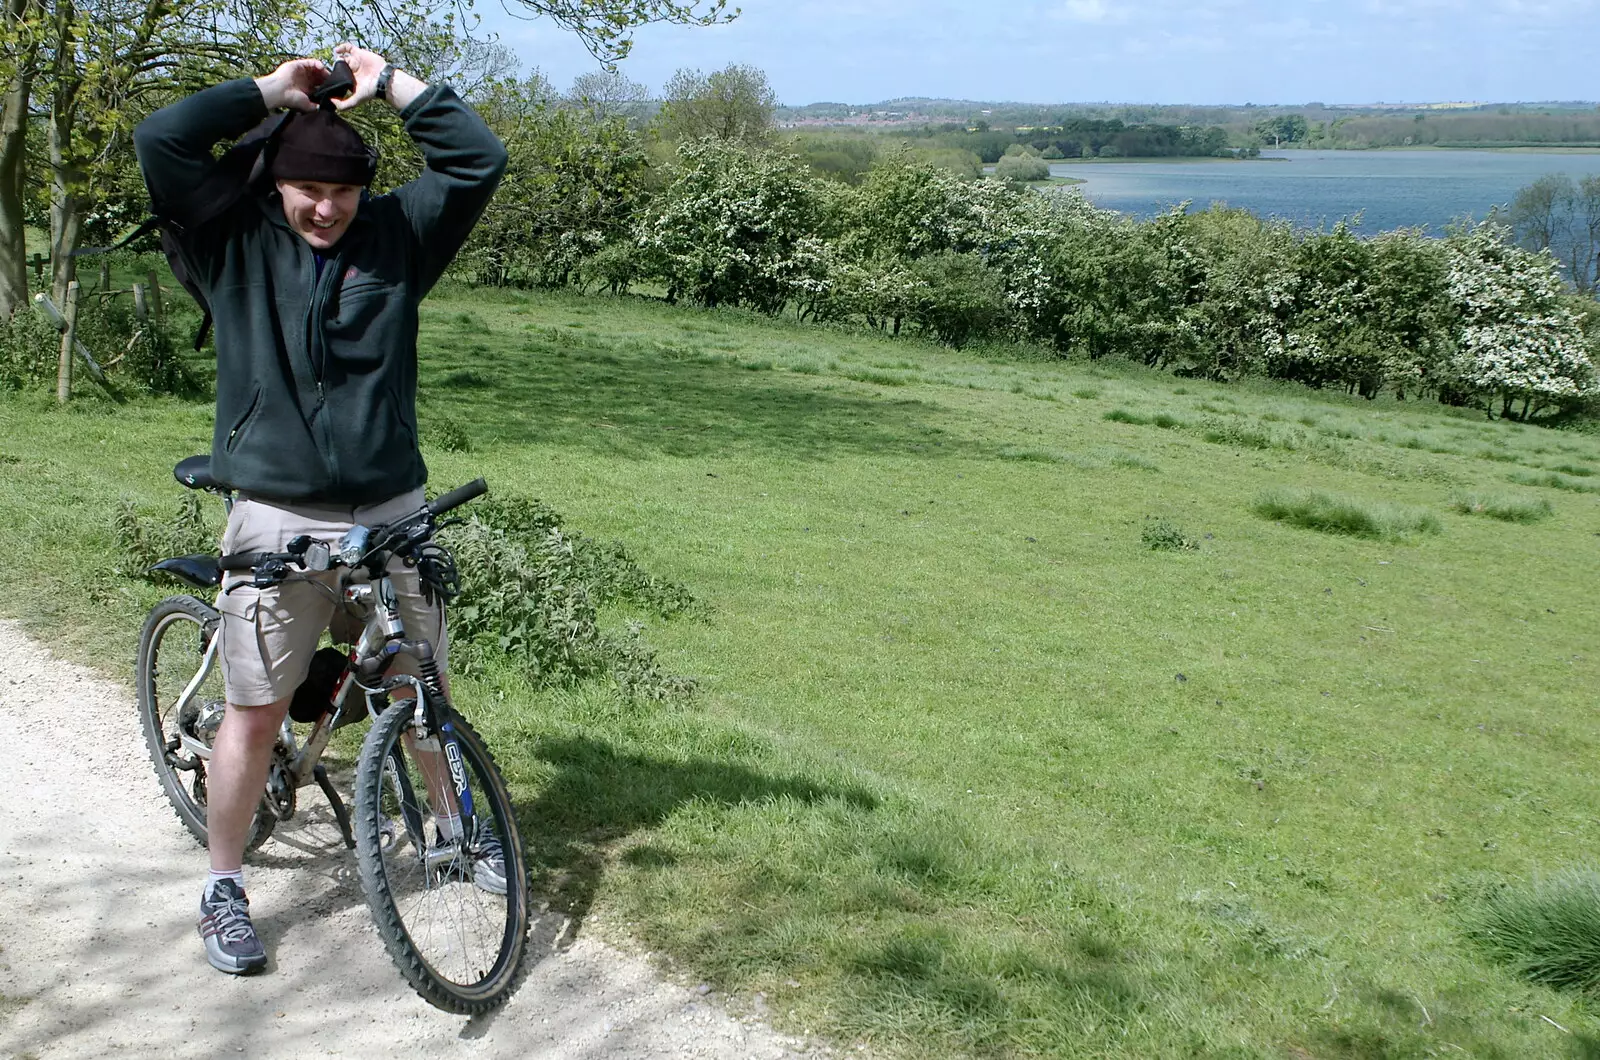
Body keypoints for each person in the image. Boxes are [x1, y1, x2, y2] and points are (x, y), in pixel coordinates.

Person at [134, 43, 508, 976]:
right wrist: (271, 91)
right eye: (306, 188)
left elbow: (477, 159)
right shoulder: (237, 238)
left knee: (419, 690)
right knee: (255, 714)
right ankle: (224, 887)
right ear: (277, 183)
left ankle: (459, 834)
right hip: (274, 509)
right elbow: (162, 138)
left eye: (340, 192)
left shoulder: (399, 237)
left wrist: (390, 86)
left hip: (392, 504)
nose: (325, 207)